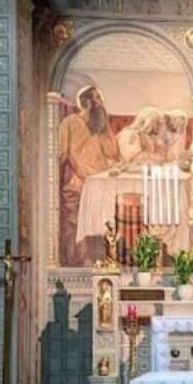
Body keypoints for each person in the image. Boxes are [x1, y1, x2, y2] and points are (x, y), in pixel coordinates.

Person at [58, 86, 120, 264]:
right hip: (77, 183)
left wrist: (106, 129)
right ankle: (76, 264)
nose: (102, 103)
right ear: (86, 102)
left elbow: (113, 153)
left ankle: (100, 261)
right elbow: (61, 154)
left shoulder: (99, 125)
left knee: (102, 222)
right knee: (74, 224)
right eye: (98, 99)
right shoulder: (69, 123)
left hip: (100, 184)